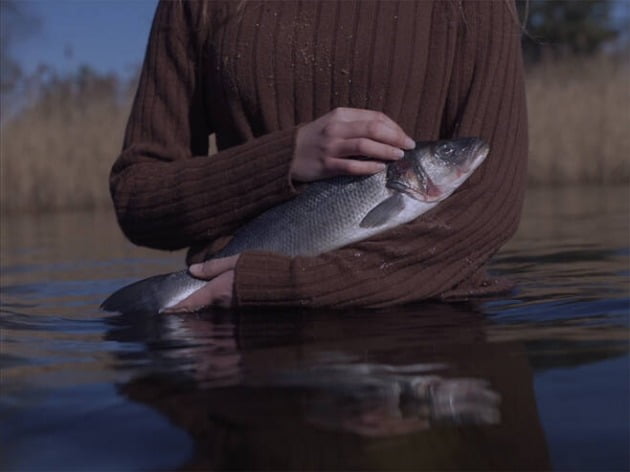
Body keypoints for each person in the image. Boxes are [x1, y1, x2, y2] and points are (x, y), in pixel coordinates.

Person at [110, 0, 528, 311]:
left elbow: (491, 203)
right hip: (238, 340)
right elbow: (139, 196)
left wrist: (282, 285)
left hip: (433, 331)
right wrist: (282, 160)